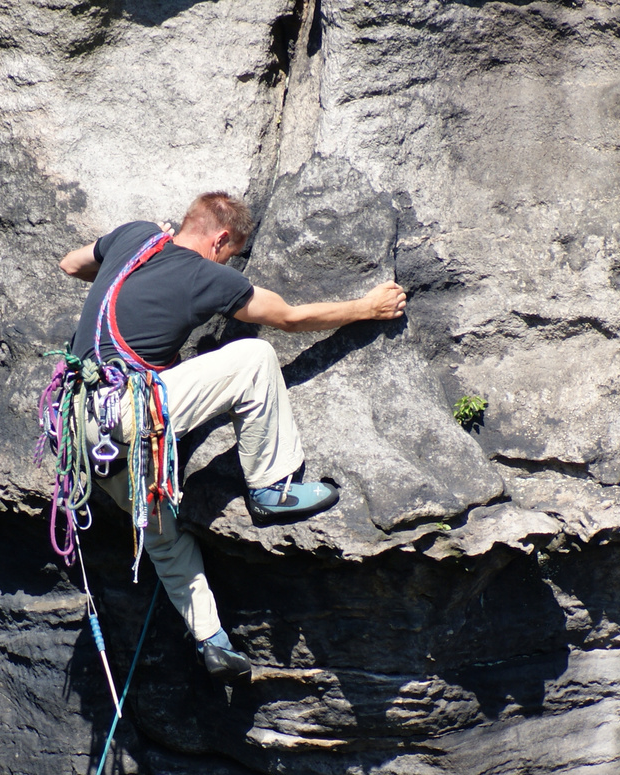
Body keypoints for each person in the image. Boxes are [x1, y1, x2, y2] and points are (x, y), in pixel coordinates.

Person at [58, 191, 407, 681]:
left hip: (77, 429)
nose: (230, 261)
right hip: (126, 412)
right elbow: (289, 318)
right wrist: (368, 307)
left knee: (161, 530)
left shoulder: (134, 236)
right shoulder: (205, 274)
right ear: (220, 239)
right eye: (233, 252)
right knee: (254, 358)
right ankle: (271, 488)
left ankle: (212, 642)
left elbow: (72, 264)